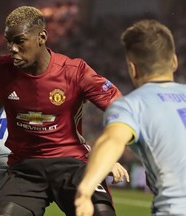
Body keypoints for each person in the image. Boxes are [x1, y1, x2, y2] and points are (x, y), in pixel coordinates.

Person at [0, 6, 129, 216]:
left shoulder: (75, 72)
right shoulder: (0, 70)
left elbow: (123, 110)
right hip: (24, 169)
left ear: (41, 37)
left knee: (101, 213)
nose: (12, 48)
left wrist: (108, 154)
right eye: (9, 41)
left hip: (72, 164)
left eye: (19, 41)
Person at [75, 19, 186, 216]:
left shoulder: (131, 106)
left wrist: (85, 190)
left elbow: (112, 141)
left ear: (132, 68)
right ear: (174, 61)